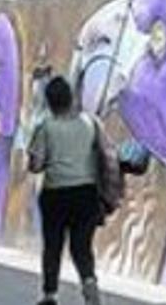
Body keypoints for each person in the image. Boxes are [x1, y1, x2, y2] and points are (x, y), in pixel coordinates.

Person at [27, 76, 102, 305]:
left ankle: (50, 295)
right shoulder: (90, 123)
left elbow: (36, 165)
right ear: (70, 99)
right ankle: (89, 283)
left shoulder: (46, 128)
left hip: (56, 194)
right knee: (81, 245)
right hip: (87, 194)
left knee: (53, 245)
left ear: (50, 102)